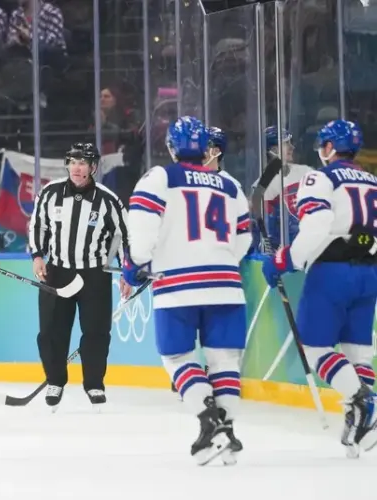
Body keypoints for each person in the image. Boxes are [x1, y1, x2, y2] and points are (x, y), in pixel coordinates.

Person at [123, 117, 252, 465]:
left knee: (177, 358)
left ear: (171, 147)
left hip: (177, 285)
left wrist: (137, 265)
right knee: (224, 362)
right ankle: (225, 431)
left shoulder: (160, 177)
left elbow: (141, 229)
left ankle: (210, 421)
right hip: (226, 286)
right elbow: (244, 238)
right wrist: (220, 261)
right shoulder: (229, 185)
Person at [259, 119, 377, 458]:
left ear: (328, 148)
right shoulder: (372, 180)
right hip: (370, 273)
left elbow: (316, 226)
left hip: (333, 273)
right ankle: (358, 420)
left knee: (316, 349)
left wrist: (286, 260)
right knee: (358, 352)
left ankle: (365, 403)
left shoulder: (320, 177)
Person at [28, 142, 132, 410]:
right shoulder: (50, 194)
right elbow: (38, 225)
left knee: (96, 332)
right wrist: (38, 255)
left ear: (93, 167)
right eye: (73, 161)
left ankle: (94, 383)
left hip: (95, 274)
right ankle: (55, 380)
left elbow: (123, 237)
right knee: (51, 331)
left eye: (82, 162)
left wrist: (126, 271)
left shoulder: (108, 200)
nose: (76, 167)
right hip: (58, 272)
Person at [250, 127, 313, 252]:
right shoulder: (262, 187)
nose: (292, 148)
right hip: (290, 252)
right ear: (274, 150)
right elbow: (267, 233)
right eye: (286, 144)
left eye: (290, 143)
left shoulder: (306, 171)